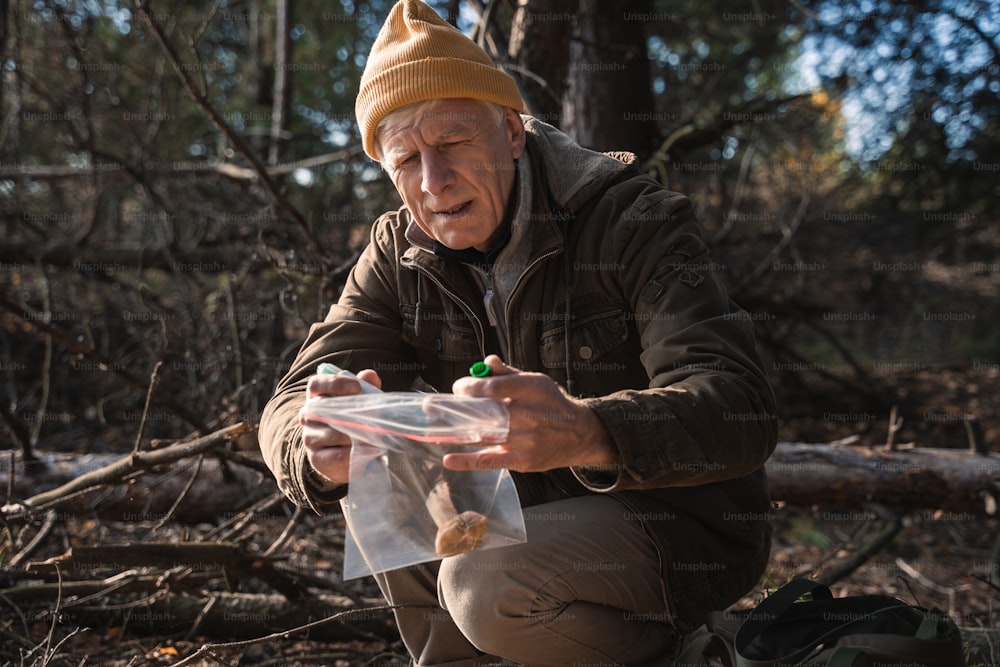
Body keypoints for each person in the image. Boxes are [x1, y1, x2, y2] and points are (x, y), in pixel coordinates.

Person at [259, 1, 777, 664]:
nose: (433, 182)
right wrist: (316, 442)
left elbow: (741, 406)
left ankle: (698, 653)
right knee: (383, 463)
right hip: (522, 525)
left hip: (678, 529)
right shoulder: (397, 250)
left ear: (510, 131)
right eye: (406, 161)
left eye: (450, 145)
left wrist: (589, 430)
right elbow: (292, 397)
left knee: (481, 581)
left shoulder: (629, 217)